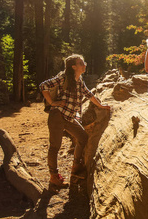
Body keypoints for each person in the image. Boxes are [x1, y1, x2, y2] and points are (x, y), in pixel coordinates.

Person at [39, 54, 110, 189]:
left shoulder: (79, 80)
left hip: (69, 117)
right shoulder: (64, 78)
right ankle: (54, 177)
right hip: (57, 116)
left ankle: (76, 167)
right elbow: (44, 86)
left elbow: (88, 94)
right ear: (73, 67)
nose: (84, 65)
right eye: (81, 63)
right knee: (55, 146)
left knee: (82, 137)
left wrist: (101, 106)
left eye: (84, 63)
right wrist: (52, 102)